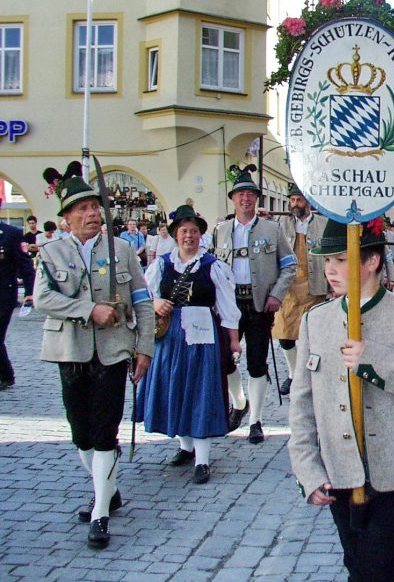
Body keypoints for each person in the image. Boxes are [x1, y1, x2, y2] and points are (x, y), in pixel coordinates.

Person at [288, 217, 394, 582]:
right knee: (357, 563)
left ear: (372, 261)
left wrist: (377, 359)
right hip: (339, 467)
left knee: (377, 568)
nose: (330, 270)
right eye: (327, 261)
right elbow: (301, 405)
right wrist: (307, 469)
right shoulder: (317, 321)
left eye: (341, 260)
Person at [34, 162, 154, 549]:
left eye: (94, 207)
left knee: (105, 432)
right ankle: (109, 488)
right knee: (81, 433)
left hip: (114, 350)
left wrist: (145, 349)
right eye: (81, 209)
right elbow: (43, 298)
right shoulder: (51, 252)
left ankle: (101, 512)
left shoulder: (121, 250)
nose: (90, 214)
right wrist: (88, 309)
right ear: (66, 218)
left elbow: (143, 303)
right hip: (70, 351)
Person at [137, 205, 241, 483]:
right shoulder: (161, 265)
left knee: (200, 393)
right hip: (170, 339)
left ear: (200, 235)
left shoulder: (213, 267)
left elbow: (228, 307)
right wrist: (156, 303)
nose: (189, 236)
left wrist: (233, 342)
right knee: (177, 389)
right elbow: (142, 296)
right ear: (175, 235)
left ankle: (203, 460)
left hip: (203, 339)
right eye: (184, 231)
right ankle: (186, 447)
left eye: (194, 231)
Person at [212, 165, 297, 443]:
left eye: (250, 194)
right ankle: (238, 402)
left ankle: (255, 420)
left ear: (256, 199)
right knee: (225, 361)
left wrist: (277, 294)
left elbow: (289, 265)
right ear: (233, 199)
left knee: (257, 363)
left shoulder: (272, 229)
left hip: (259, 304)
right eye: (240, 195)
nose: (245, 199)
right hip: (229, 305)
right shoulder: (221, 231)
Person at [272, 182, 328, 396]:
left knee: (312, 336)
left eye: (299, 200)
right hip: (289, 288)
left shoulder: (323, 224)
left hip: (316, 287)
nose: (295, 204)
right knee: (285, 336)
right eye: (292, 200)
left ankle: (312, 375)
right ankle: (294, 373)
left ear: (308, 202)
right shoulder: (280, 224)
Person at [0, 198, 35, 389]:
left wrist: (30, 292)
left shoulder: (11, 234)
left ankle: (6, 375)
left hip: (4, 294)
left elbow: (25, 266)